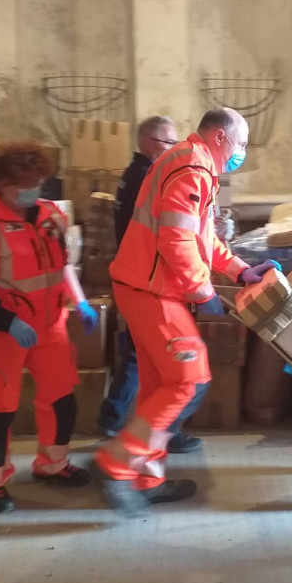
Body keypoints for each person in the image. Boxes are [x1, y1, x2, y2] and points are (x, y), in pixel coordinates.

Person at [93, 108, 279, 516]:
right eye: (241, 144)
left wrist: (240, 270)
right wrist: (202, 291)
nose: (242, 153)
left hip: (147, 287)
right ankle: (117, 462)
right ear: (219, 138)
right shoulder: (191, 168)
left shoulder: (193, 166)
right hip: (152, 292)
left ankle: (147, 480)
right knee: (189, 381)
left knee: (160, 386)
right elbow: (175, 240)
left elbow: (202, 239)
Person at [0, 140, 99, 514]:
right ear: (0, 184)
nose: (33, 189)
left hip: (50, 326)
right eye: (24, 184)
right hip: (0, 333)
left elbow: (62, 265)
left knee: (61, 399)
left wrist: (81, 301)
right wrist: (8, 321)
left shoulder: (52, 215)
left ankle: (53, 464)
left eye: (38, 181)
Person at [96, 115, 206, 454]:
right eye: (166, 142)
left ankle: (134, 428)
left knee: (146, 360)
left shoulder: (137, 174)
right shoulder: (148, 176)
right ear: (147, 143)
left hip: (140, 278)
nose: (172, 148)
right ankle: (133, 433)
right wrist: (199, 285)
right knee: (172, 370)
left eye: (175, 141)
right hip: (148, 283)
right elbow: (172, 236)